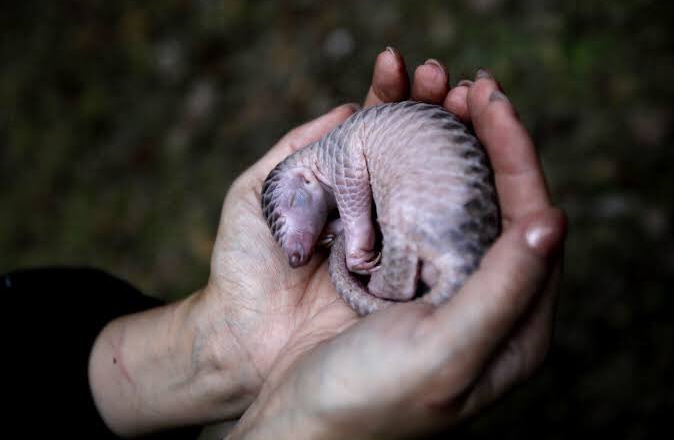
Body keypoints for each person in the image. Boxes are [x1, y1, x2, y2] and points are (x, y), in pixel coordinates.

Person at [2, 48, 566, 439]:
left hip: (435, 201)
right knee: (409, 230)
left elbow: (354, 209)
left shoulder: (338, 156)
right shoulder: (341, 166)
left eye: (291, 226)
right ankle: (404, 280)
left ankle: (401, 280)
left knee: (406, 226)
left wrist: (353, 247)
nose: (296, 251)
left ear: (299, 180)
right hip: (434, 201)